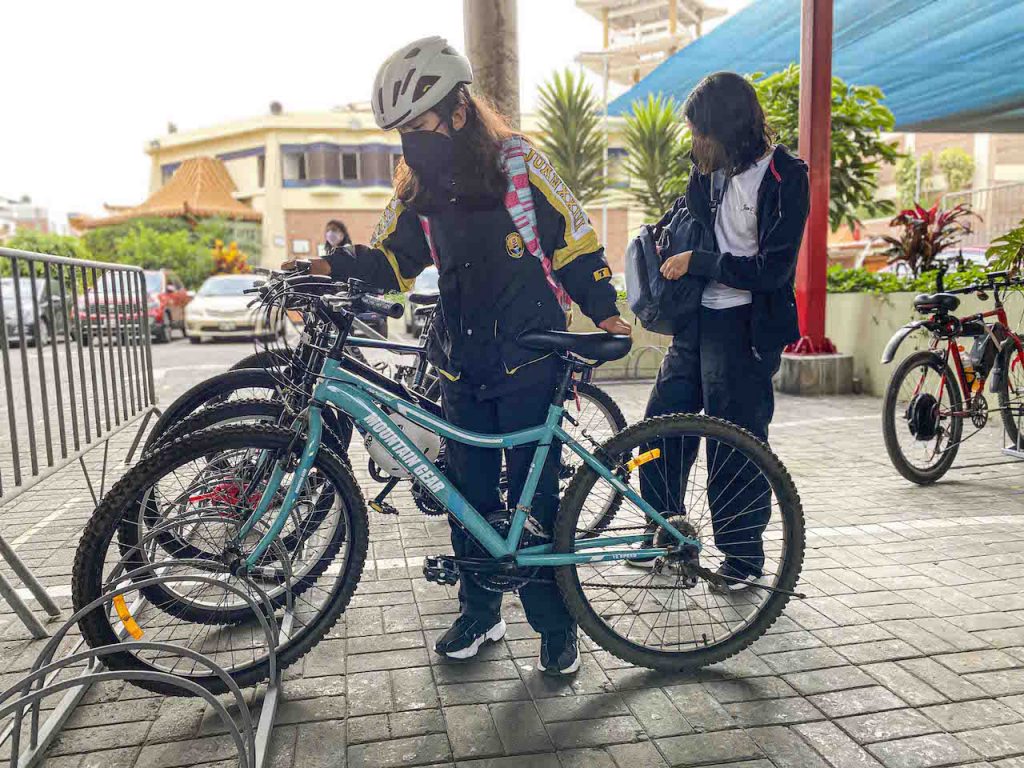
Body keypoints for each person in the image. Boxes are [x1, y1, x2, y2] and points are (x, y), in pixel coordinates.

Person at [287, 36, 629, 675]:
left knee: (536, 507)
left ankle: (557, 628)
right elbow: (391, 259)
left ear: (460, 112)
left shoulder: (519, 164)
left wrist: (605, 309)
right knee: (464, 493)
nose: (411, 142)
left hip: (530, 355)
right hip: (460, 361)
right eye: (401, 132)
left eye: (419, 126)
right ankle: (480, 611)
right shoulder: (416, 186)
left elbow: (575, 239)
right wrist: (326, 266)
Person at [636, 71, 809, 591]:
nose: (695, 145)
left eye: (700, 134)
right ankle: (663, 534)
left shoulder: (785, 176)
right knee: (659, 429)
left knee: (736, 446)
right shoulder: (706, 172)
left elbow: (774, 271)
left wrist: (701, 262)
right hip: (695, 323)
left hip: (746, 330)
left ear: (729, 128)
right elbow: (683, 222)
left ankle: (741, 561)